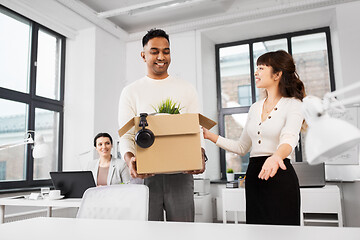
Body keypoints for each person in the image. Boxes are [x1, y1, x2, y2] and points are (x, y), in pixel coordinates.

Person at [203, 50, 305, 226]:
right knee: (257, 231)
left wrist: (276, 157)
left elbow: (289, 138)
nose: (255, 72)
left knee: (284, 233)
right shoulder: (255, 108)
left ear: (277, 74)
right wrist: (209, 135)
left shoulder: (294, 105)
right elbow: (242, 147)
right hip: (254, 176)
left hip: (279, 174)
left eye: (261, 68)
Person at [118, 28, 206, 222]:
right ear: (143, 55)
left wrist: (200, 154)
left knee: (183, 232)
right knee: (147, 232)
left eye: (166, 51)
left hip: (181, 174)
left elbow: (196, 128)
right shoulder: (131, 91)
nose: (161, 56)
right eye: (154, 51)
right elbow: (125, 135)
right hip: (144, 174)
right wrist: (129, 158)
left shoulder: (186, 88)